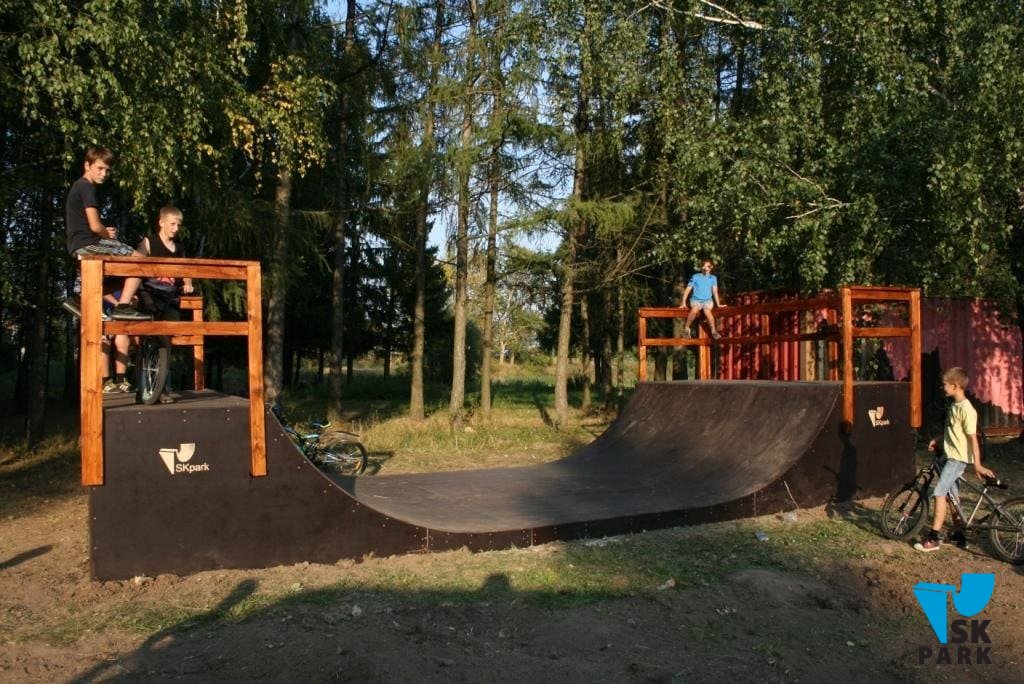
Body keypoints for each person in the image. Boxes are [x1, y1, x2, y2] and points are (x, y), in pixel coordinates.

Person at [64, 146, 151, 321]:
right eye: (100, 168)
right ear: (87, 165)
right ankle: (123, 307)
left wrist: (103, 231)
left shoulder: (79, 186)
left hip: (82, 242)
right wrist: (105, 233)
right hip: (89, 243)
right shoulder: (86, 187)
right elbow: (95, 226)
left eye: (107, 170)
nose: (103, 174)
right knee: (142, 262)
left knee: (125, 276)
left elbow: (89, 225)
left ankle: (80, 300)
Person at [914, 367, 995, 552]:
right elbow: (952, 431)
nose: (943, 387)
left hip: (956, 460)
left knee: (939, 493)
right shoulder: (954, 406)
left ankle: (933, 538)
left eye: (945, 384)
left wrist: (978, 465)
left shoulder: (966, 409)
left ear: (955, 386)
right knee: (952, 497)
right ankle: (959, 535)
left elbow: (973, 439)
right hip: (949, 456)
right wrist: (938, 439)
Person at [135, 205, 194, 404]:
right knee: (146, 340)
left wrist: (188, 283)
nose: (176, 229)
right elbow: (134, 264)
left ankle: (164, 388)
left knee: (166, 342)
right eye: (172, 224)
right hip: (150, 295)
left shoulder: (179, 247)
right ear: (161, 222)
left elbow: (186, 269)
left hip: (170, 297)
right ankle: (142, 387)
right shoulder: (149, 242)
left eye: (178, 225)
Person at [679, 259, 723, 339]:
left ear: (711, 267)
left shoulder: (713, 278)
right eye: (704, 266)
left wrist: (718, 304)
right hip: (696, 300)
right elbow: (688, 290)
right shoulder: (695, 277)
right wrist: (683, 303)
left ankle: (713, 331)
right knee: (694, 309)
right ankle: (686, 329)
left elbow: (715, 292)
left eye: (708, 266)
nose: (705, 268)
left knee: (707, 312)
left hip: (708, 301)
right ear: (701, 267)